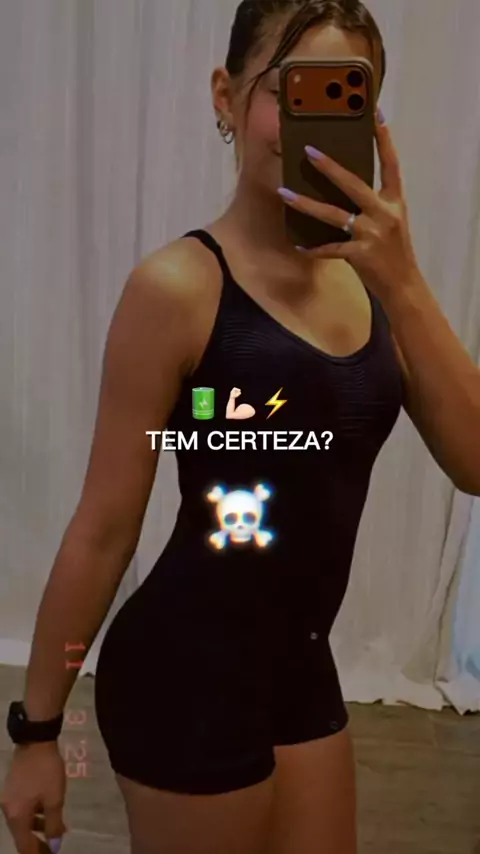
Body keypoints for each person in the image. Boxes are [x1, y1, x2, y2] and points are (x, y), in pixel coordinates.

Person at [2, 1, 480, 852]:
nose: (313, 123)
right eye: (289, 91)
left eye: (346, 94)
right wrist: (37, 734)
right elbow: (103, 528)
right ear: (225, 96)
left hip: (303, 666)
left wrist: (405, 280)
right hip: (184, 671)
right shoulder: (178, 288)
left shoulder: (379, 289)